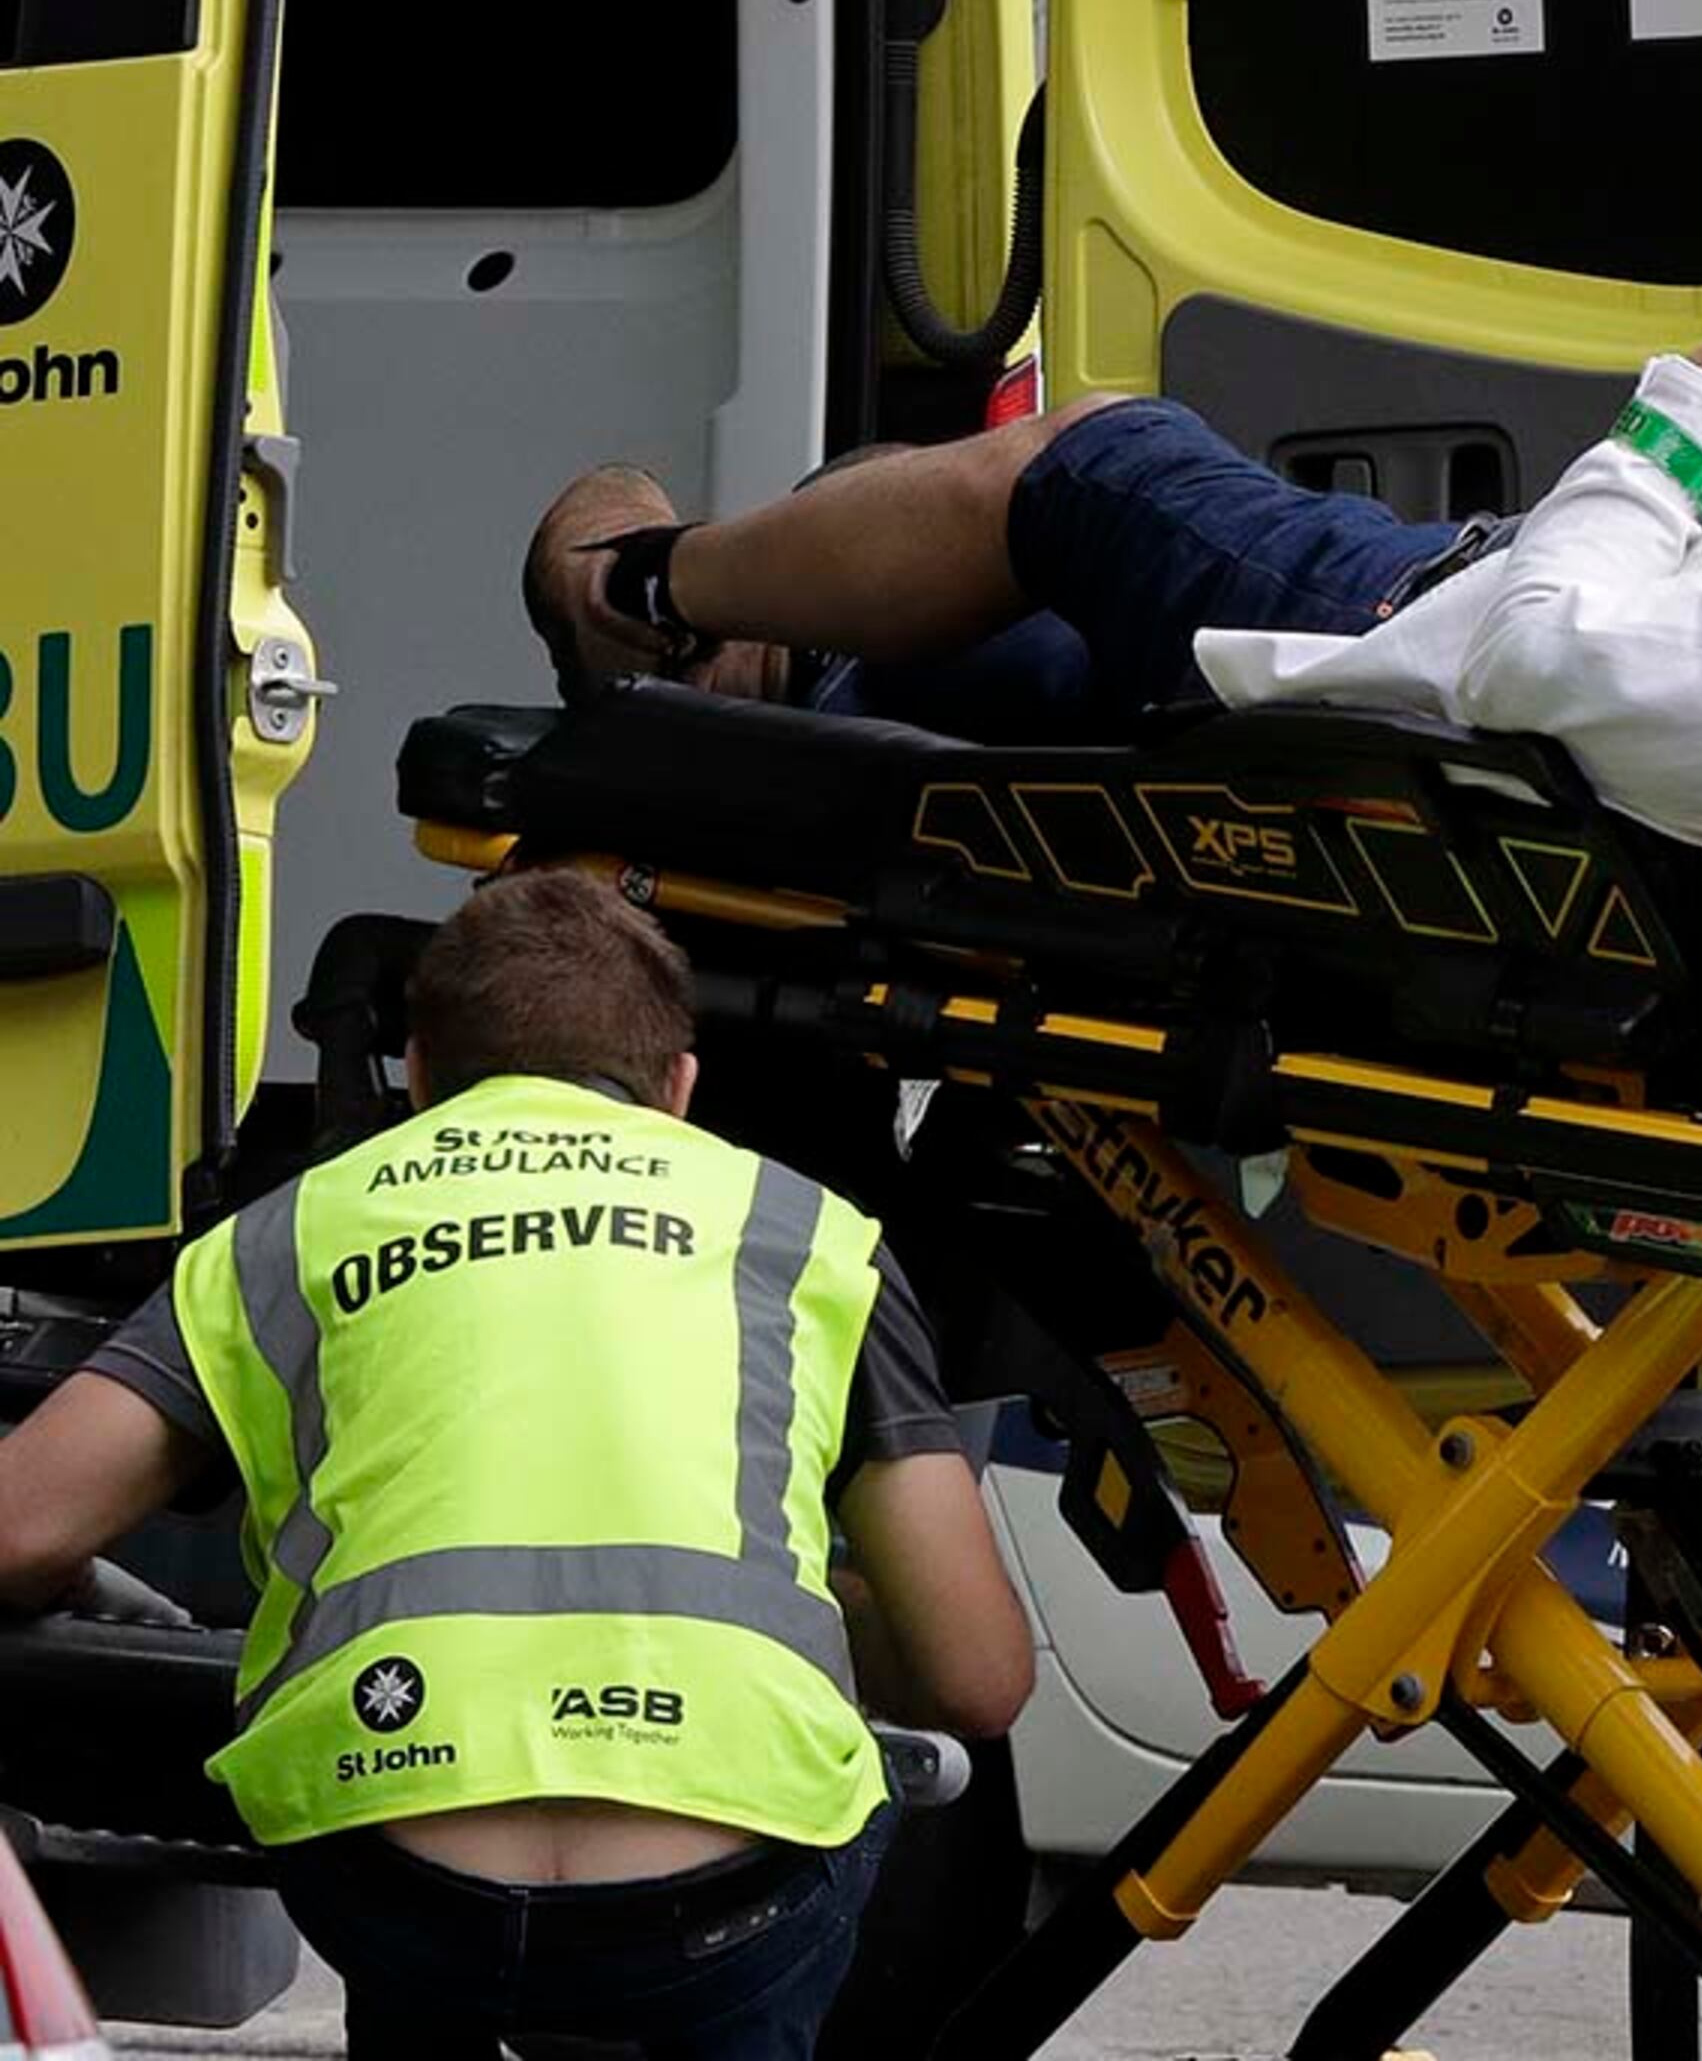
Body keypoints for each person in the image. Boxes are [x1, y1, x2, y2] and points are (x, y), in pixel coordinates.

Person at [0, 872, 1034, 2058]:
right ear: (680, 1090)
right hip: (720, 1897)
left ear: (424, 1080)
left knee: (407, 1915)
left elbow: (20, 1528)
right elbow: (977, 1678)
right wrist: (835, 1613)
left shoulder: (293, 1229)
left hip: (401, 1862)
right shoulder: (803, 1235)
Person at [519, 267, 1702, 852]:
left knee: (1089, 463)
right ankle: (775, 682)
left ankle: (650, 595)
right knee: (1042, 680)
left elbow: (1532, 665)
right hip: (1474, 585)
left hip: (1418, 635)